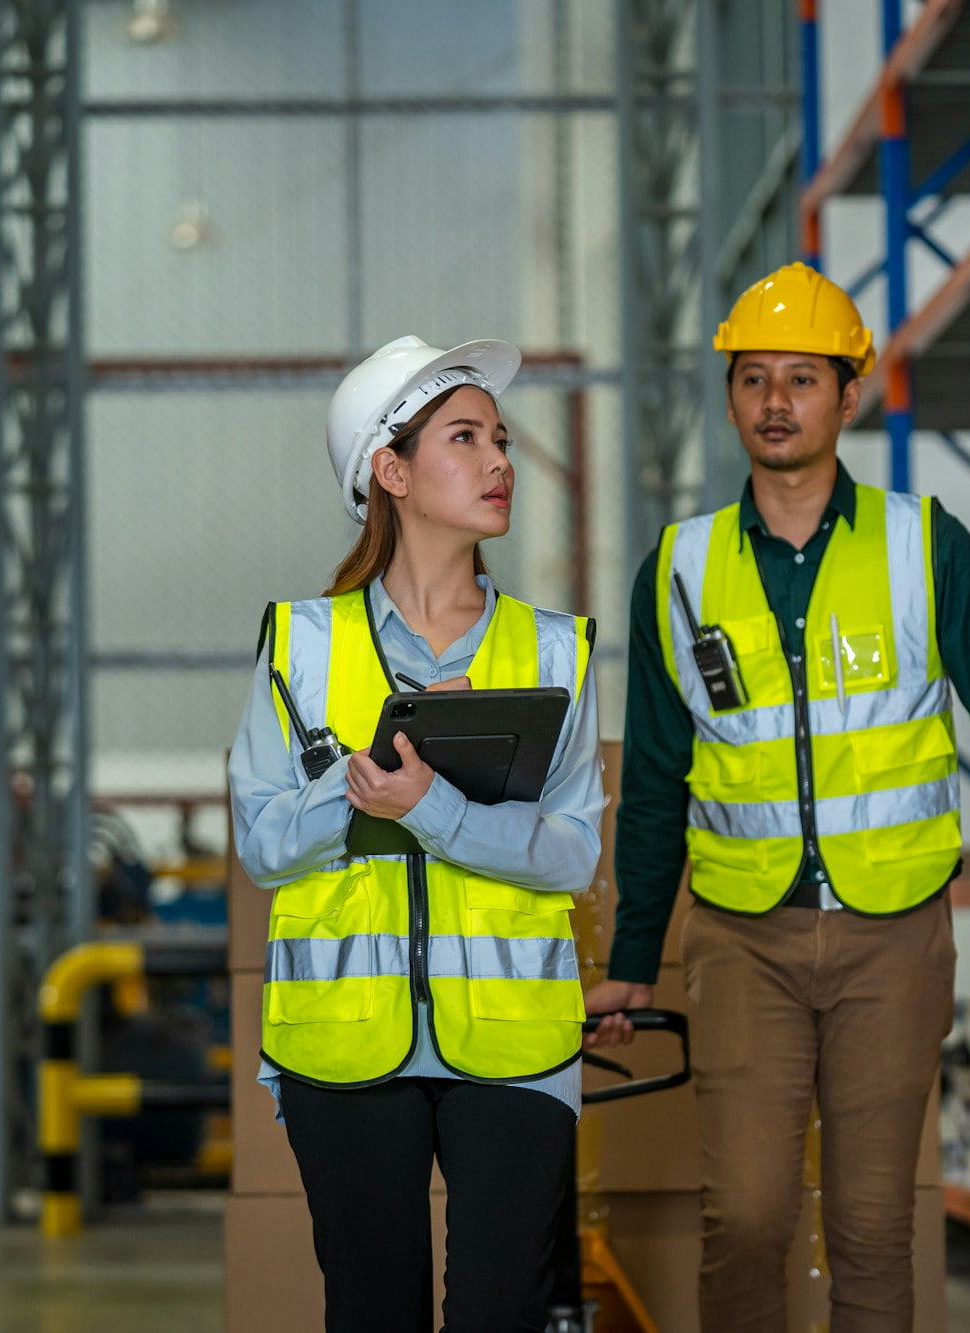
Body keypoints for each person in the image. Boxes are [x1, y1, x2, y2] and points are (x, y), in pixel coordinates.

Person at [584, 263, 970, 1330]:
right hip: (740, 935)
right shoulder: (677, 570)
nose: (776, 402)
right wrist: (632, 959)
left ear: (846, 396)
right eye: (754, 379)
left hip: (892, 934)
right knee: (751, 1216)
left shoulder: (924, 546)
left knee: (870, 1229)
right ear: (730, 396)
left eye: (802, 379)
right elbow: (654, 787)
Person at [228, 335, 614, 1332]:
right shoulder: (300, 647)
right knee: (373, 1312)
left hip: (515, 1046)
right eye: (465, 437)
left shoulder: (553, 648)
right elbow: (265, 842)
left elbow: (572, 851)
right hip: (343, 1047)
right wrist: (364, 790)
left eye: (500, 440)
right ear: (390, 471)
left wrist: (428, 808)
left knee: (500, 1310)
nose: (499, 463)